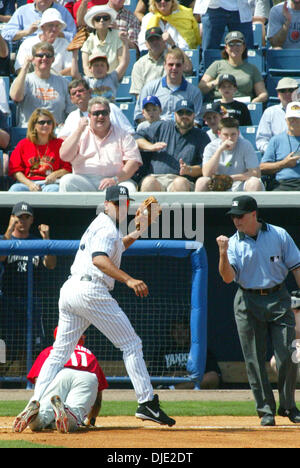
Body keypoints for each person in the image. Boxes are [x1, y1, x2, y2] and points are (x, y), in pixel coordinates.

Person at [13, 185, 176, 433]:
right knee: (131, 344)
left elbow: (118, 246)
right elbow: (99, 259)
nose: (123, 206)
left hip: (70, 290)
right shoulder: (106, 227)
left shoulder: (102, 224)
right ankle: (147, 402)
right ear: (107, 203)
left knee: (59, 353)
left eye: (126, 202)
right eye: (118, 202)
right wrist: (129, 279)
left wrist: (140, 228)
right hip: (91, 290)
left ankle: (35, 400)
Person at [216, 194, 300, 426]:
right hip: (247, 299)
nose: (236, 221)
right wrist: (222, 253)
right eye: (233, 217)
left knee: (287, 354)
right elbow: (226, 278)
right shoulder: (232, 242)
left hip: (278, 296)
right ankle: (265, 411)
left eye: (240, 216)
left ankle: (288, 406)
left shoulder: (279, 234)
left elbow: (297, 267)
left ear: (254, 214)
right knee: (253, 358)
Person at [14, 329, 108, 433]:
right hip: (87, 377)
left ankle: (36, 418)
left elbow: (39, 380)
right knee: (74, 417)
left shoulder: (51, 350)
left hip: (62, 374)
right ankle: (67, 410)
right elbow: (98, 397)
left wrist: (40, 398)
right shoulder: (90, 354)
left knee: (43, 416)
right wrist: (91, 419)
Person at [0, 201, 56, 367]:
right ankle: (4, 380)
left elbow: (51, 264)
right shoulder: (4, 239)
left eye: (26, 217)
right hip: (8, 300)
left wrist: (46, 239)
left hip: (31, 300)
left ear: (32, 220)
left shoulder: (37, 242)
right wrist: (9, 230)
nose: (22, 221)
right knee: (5, 342)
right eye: (19, 217)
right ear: (12, 218)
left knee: (32, 344)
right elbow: (1, 257)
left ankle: (29, 379)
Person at [59, 96, 142, 192]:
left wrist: (115, 179)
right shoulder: (79, 133)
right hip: (85, 181)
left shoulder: (123, 135)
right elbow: (64, 156)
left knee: (128, 189)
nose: (101, 116)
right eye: (96, 113)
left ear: (109, 114)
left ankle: (122, 208)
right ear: (89, 116)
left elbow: (133, 162)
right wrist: (79, 130)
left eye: (104, 113)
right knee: (67, 181)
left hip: (115, 181)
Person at [135, 99, 210, 192]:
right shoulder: (162, 126)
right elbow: (136, 137)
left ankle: (175, 208)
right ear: (174, 115)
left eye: (188, 113)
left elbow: (205, 166)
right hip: (156, 178)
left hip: (182, 180)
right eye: (180, 113)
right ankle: (153, 207)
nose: (184, 116)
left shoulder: (201, 136)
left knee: (180, 183)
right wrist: (150, 146)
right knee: (148, 182)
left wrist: (189, 170)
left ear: (194, 115)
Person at [10, 41, 75, 128]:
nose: (44, 58)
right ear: (33, 59)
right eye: (40, 55)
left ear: (53, 59)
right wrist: (25, 67)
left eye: (48, 56)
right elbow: (16, 97)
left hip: (56, 132)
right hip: (29, 132)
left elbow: (72, 111)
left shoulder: (64, 83)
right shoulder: (24, 80)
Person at [134, 47, 203, 125]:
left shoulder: (194, 92)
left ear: (183, 66)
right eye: (171, 64)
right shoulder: (150, 88)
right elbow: (140, 116)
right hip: (155, 132)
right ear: (164, 65)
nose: (174, 68)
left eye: (178, 65)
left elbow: (196, 121)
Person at [8, 108, 71, 192]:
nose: (46, 125)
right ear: (34, 125)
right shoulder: (23, 144)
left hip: (50, 183)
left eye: (49, 122)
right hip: (27, 183)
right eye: (42, 122)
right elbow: (16, 171)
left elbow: (68, 169)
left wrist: (55, 174)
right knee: (15, 189)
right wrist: (29, 184)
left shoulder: (59, 144)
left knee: (54, 190)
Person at [199, 30, 268, 104]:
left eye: (238, 44)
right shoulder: (217, 65)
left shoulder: (252, 68)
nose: (235, 47)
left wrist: (254, 102)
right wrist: (216, 82)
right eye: (231, 44)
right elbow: (201, 88)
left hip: (244, 106)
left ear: (244, 47)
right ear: (226, 48)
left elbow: (263, 94)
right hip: (220, 105)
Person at [196, 117, 264, 192]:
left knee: (254, 182)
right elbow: (206, 173)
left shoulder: (246, 145)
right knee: (201, 182)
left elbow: (256, 173)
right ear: (219, 134)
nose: (229, 138)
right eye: (225, 135)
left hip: (241, 183)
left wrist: (231, 178)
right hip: (217, 184)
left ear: (238, 133)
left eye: (233, 134)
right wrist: (219, 150)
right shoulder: (211, 147)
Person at [154, 321, 222, 390]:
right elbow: (151, 378)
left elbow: (215, 377)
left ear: (190, 331)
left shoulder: (201, 350)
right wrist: (172, 375)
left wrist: (191, 374)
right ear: (171, 332)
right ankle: (172, 388)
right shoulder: (163, 351)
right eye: (176, 329)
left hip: (195, 387)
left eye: (184, 329)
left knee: (212, 376)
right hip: (171, 383)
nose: (180, 333)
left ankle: (172, 389)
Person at [57, 79, 134, 139]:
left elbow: (129, 133)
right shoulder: (72, 116)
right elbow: (62, 138)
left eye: (81, 91)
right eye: (74, 93)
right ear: (71, 99)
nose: (78, 94)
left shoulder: (110, 108)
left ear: (90, 92)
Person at [130, 26, 193, 98]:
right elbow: (139, 95)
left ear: (163, 41)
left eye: (157, 39)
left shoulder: (172, 57)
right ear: (146, 44)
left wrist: (173, 44)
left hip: (173, 100)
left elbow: (188, 68)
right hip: (151, 105)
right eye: (151, 40)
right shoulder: (139, 64)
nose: (155, 43)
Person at [70, 31, 129, 101]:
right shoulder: (87, 81)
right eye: (96, 65)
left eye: (102, 65)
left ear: (107, 68)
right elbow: (74, 74)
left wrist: (125, 43)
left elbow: (124, 63)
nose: (99, 68)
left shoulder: (112, 78)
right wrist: (75, 53)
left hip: (109, 109)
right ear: (90, 69)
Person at [14, 8, 72, 76]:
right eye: (50, 25)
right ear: (42, 27)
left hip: (58, 82)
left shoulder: (65, 44)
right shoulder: (28, 43)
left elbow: (71, 68)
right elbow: (19, 68)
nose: (54, 29)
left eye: (57, 26)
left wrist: (52, 78)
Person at [260, 101, 300, 191]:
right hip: (283, 183)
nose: (293, 121)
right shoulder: (276, 140)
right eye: (290, 118)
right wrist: (284, 164)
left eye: (297, 118)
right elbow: (262, 168)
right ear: (286, 120)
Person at [256, 77, 299, 154]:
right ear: (278, 94)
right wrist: (275, 152)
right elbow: (262, 140)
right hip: (277, 157)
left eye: (291, 90)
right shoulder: (270, 112)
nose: (288, 93)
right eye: (283, 91)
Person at [1, 0, 76, 43]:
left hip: (56, 49)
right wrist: (26, 32)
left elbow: (73, 36)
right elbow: (6, 34)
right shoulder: (23, 11)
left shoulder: (63, 12)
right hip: (28, 50)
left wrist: (57, 33)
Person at [81, 5, 124, 74]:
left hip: (114, 79)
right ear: (93, 23)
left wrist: (111, 79)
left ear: (110, 20)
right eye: (98, 19)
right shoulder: (88, 40)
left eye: (105, 18)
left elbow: (122, 62)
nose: (102, 20)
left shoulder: (118, 36)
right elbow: (85, 67)